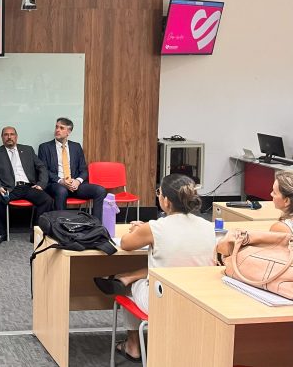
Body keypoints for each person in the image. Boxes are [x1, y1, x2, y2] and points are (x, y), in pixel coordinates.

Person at [94, 174, 214, 363]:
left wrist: (138, 231)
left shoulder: (155, 227)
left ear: (165, 201)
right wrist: (147, 230)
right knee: (163, 268)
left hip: (162, 300)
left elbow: (125, 244)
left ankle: (133, 345)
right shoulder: (208, 226)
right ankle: (128, 276)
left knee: (126, 287)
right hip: (200, 300)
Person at [0, 126, 54, 245]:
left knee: (47, 200)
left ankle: (37, 234)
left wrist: (41, 184)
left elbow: (42, 167)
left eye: (12, 134)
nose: (9, 137)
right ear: (2, 137)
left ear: (16, 137)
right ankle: (1, 234)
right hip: (9, 188)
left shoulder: (28, 150)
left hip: (28, 187)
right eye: (6, 135)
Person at [38, 117, 107, 220]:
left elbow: (83, 169)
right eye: (56, 127)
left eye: (61, 128)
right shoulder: (45, 147)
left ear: (68, 132)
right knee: (61, 191)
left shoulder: (76, 147)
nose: (57, 130)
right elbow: (44, 170)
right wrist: (61, 181)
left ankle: (97, 225)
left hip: (74, 185)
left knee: (100, 190)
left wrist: (77, 181)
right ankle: (61, 227)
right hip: (55, 184)